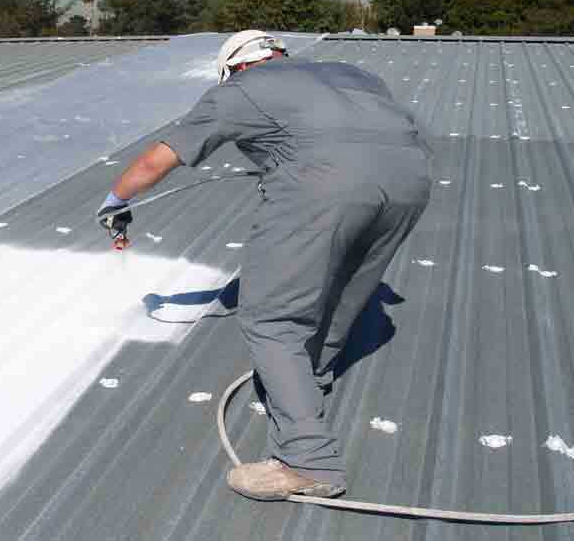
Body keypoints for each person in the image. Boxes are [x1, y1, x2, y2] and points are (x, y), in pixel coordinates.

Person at [97, 30, 432, 500]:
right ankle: (306, 386)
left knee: (270, 317)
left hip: (325, 188)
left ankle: (307, 460)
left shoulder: (240, 89)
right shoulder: (352, 74)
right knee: (339, 301)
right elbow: (378, 136)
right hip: (410, 183)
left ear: (235, 68)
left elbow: (158, 161)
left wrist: (116, 201)